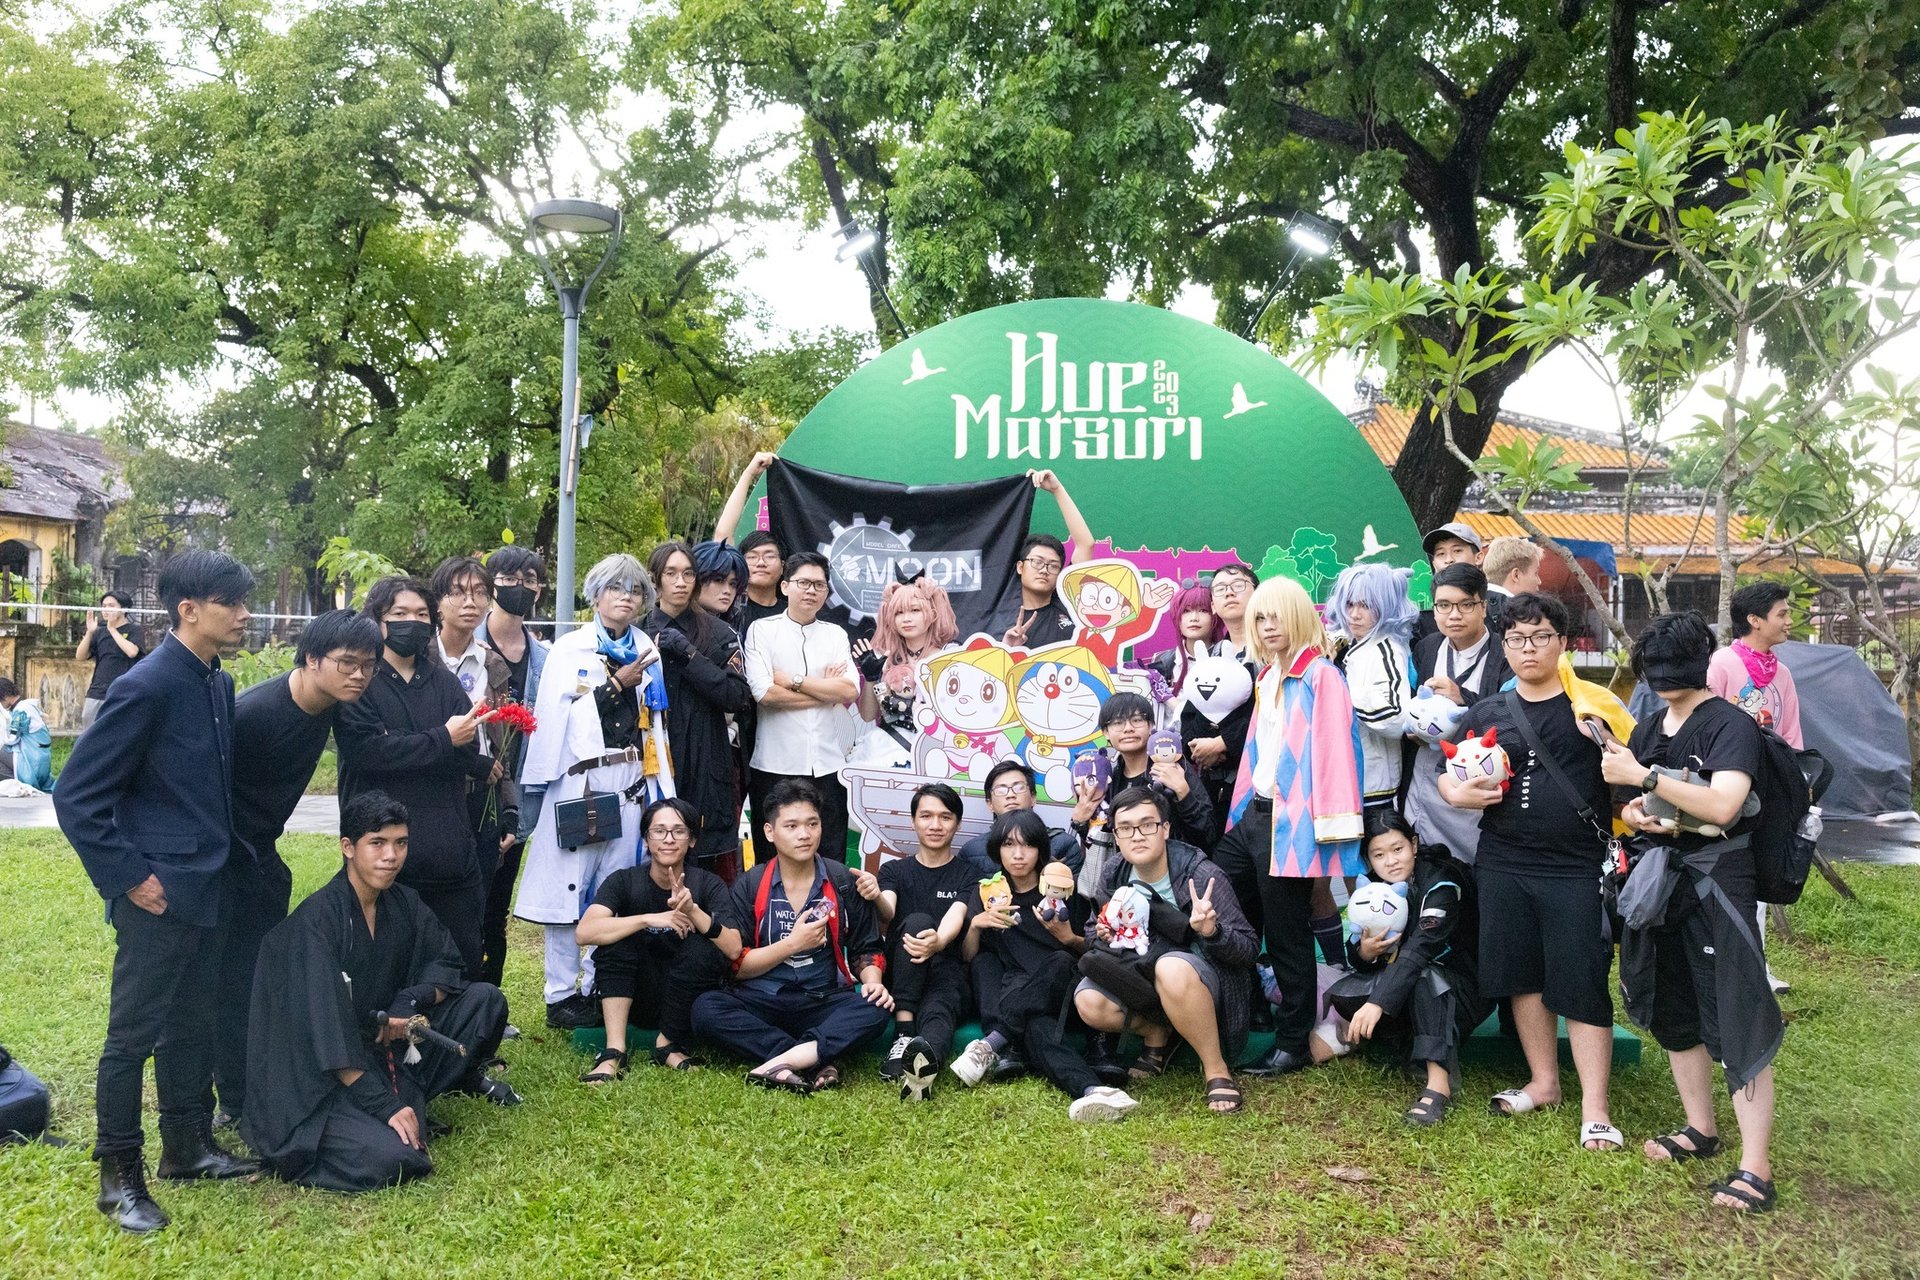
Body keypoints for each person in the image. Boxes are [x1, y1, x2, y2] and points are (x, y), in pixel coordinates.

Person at [54, 549, 259, 1234]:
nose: (244, 613)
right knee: (131, 1036)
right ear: (188, 610)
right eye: (231, 602)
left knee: (193, 1022)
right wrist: (130, 877)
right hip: (158, 893)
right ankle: (118, 1178)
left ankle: (188, 1146)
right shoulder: (145, 685)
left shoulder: (215, 682)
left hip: (209, 885)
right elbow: (79, 796)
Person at [240, 792, 517, 1195]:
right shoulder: (317, 923)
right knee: (399, 1159)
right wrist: (386, 1106)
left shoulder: (402, 901)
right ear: (348, 848)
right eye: (377, 843)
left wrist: (409, 1003)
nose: (391, 856)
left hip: (378, 1047)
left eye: (400, 843)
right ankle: (376, 1114)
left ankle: (399, 1102)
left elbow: (449, 963)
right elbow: (326, 1036)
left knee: (485, 1001)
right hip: (315, 1075)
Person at [1604, 610, 1783, 1212]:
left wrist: (1645, 775)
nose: (1659, 681)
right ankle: (1700, 1129)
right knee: (1672, 1001)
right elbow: (1630, 803)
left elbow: (1727, 805)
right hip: (1662, 877)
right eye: (1652, 670)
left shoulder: (1729, 724)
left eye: (1668, 670)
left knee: (1735, 1011)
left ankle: (1755, 1168)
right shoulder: (1651, 723)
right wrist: (1639, 812)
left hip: (1718, 879)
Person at [1437, 592, 1622, 1153]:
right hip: (1502, 861)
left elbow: (1626, 773)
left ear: (1561, 642)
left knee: (1582, 977)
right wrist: (1458, 792)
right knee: (1523, 976)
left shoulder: (1592, 706)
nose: (1527, 649)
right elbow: (1449, 774)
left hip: (1575, 866)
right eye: (1515, 639)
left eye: (1540, 637)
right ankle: (1544, 1084)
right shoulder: (1490, 710)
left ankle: (1597, 1108)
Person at [212, 609, 382, 1130]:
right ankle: (231, 1101)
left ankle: (260, 1086)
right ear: (311, 659)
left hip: (263, 858)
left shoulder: (334, 706)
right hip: (222, 862)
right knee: (228, 985)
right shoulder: (253, 713)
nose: (359, 675)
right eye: (347, 663)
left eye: (367, 666)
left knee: (266, 979)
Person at [516, 555, 676, 1030]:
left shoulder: (648, 648)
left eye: (634, 589)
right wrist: (612, 688)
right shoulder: (570, 649)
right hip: (581, 780)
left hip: (629, 780)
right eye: (615, 587)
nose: (624, 595)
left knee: (614, 885)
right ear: (596, 594)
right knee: (570, 888)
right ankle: (560, 993)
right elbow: (557, 719)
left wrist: (660, 788)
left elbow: (657, 724)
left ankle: (597, 983)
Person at [1216, 576, 1364, 1079]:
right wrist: (1238, 814)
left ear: (1300, 616)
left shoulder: (1323, 676)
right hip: (1254, 818)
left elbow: (1336, 757)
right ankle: (1246, 1006)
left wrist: (1329, 831)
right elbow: (1256, 754)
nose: (1267, 625)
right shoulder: (1268, 676)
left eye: (1276, 615)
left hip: (1292, 822)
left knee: (1287, 934)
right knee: (1218, 899)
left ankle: (1292, 1041)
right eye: (1260, 617)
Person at [691, 780, 892, 1093]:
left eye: (812, 824)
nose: (804, 834)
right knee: (706, 1009)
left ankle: (783, 1060)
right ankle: (814, 1058)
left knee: (876, 1008)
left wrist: (873, 981)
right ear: (770, 832)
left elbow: (867, 949)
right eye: (792, 825)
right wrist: (793, 945)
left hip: (824, 999)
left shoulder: (841, 880)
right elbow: (737, 964)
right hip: (762, 998)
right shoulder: (750, 884)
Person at [336, 575, 491, 977]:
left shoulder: (444, 682)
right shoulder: (359, 683)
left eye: (422, 614)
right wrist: (442, 738)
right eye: (400, 613)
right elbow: (368, 752)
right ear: (379, 620)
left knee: (461, 960)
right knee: (386, 965)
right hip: (382, 857)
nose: (413, 621)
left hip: (448, 852)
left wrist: (404, 743)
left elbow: (468, 752)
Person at [1075, 787, 1259, 1114]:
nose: (1137, 836)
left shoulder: (1200, 874)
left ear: (1166, 829)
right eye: (1126, 828)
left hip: (1203, 983)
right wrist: (1102, 932)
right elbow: (1092, 927)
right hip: (1141, 973)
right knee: (1088, 1000)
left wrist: (1212, 931)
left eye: (1148, 825)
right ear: (1116, 836)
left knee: (1171, 968)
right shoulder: (1114, 871)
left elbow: (1248, 949)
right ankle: (1157, 1031)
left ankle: (1216, 1069)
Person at [952, 809, 1141, 1121]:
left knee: (1060, 960)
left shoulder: (1062, 891)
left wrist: (1066, 936)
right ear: (997, 849)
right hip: (1025, 1003)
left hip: (1066, 991)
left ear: (1040, 849)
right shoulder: (988, 892)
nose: (1018, 854)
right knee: (1038, 1030)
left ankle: (992, 1043)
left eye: (1027, 845)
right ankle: (1093, 1091)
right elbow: (969, 957)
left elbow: (1089, 953)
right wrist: (976, 925)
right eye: (1009, 845)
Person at [1325, 810, 1487, 1127]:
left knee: (1427, 976)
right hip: (1405, 981)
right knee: (1345, 995)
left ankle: (1438, 1084)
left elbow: (1421, 948)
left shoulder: (1442, 882)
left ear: (1413, 844)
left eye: (1397, 849)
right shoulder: (1373, 887)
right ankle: (1408, 1044)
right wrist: (1365, 952)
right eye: (1379, 854)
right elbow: (1355, 953)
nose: (1392, 861)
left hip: (1463, 987)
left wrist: (1378, 1003)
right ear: (1369, 860)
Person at [575, 797, 742, 1081]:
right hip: (634, 994)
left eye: (679, 831)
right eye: (659, 831)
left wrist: (693, 910)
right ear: (645, 839)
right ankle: (615, 1051)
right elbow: (584, 932)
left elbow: (734, 948)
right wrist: (648, 918)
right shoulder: (624, 880)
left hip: (686, 1000)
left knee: (705, 945)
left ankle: (667, 1044)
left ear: (691, 840)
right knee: (616, 937)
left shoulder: (708, 884)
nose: (668, 839)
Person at [850, 783, 977, 1101]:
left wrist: (940, 941)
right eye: (927, 816)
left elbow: (957, 915)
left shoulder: (968, 874)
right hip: (903, 969)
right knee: (918, 922)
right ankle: (904, 1032)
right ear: (913, 821)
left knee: (938, 1010)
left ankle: (922, 1064)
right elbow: (888, 911)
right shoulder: (895, 869)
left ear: (957, 823)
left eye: (945, 817)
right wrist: (876, 894)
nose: (936, 825)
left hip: (946, 968)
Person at [1708, 580, 1803, 993]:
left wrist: (1797, 788)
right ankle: (1718, 964)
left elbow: (1791, 737)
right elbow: (1707, 725)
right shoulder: (1722, 664)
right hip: (1726, 792)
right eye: (1782, 613)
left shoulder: (1781, 672)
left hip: (1770, 792)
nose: (1789, 620)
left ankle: (1756, 967)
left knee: (1761, 878)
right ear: (1753, 620)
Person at [643, 540, 754, 879]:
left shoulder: (719, 632)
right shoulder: (638, 631)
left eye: (688, 573)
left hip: (707, 759)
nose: (680, 582)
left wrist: (690, 656)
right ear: (656, 579)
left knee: (708, 867)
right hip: (653, 756)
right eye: (671, 573)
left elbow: (737, 696)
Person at [743, 551, 858, 862]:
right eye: (803, 583)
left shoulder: (835, 634)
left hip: (828, 766)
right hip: (774, 765)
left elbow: (849, 689)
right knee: (772, 859)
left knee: (830, 857)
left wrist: (793, 680)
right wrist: (825, 692)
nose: (811, 590)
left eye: (819, 585)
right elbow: (765, 694)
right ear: (785, 587)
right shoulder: (762, 630)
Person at [431, 557, 519, 949]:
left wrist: (508, 808)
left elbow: (503, 743)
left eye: (480, 592)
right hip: (434, 794)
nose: (471, 601)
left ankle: (478, 1001)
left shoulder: (492, 663)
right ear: (438, 602)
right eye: (458, 592)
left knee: (479, 908)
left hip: (482, 795)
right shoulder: (419, 658)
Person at [476, 543, 550, 991]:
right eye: (508, 578)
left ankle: (489, 1001)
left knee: (496, 903)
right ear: (491, 584)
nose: (518, 587)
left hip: (518, 791)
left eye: (529, 579)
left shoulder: (544, 657)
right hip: (470, 784)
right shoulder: (468, 647)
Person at [1405, 563, 1513, 860]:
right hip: (1428, 778)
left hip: (1479, 782)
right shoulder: (1426, 648)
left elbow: (1509, 713)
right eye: (1444, 605)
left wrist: (1461, 697)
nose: (1454, 615)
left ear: (1483, 606)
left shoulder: (1504, 653)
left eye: (1466, 604)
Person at [1071, 692, 1216, 853]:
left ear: (1151, 726)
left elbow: (1208, 836)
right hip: (1125, 873)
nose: (1128, 729)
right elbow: (1102, 846)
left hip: (1172, 870)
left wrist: (1183, 792)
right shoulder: (1108, 779)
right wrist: (1081, 822)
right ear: (1106, 732)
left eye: (1137, 720)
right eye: (1118, 723)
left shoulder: (1175, 767)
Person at [1325, 563, 1418, 809]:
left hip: (1375, 784)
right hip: (1347, 777)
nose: (1354, 614)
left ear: (1386, 606)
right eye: (1349, 604)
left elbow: (1395, 717)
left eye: (1365, 606)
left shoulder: (1386, 649)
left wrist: (1337, 690)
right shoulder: (1351, 643)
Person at [851, 575, 960, 768]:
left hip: (937, 748)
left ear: (932, 614)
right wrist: (870, 679)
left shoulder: (948, 657)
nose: (907, 619)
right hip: (887, 747)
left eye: (915, 610)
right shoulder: (885, 658)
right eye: (899, 613)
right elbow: (869, 716)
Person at [987, 470, 1098, 648]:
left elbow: (1086, 544)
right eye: (1037, 562)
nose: (1044, 569)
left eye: (1053, 566)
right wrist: (1007, 649)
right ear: (1020, 567)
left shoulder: (1068, 605)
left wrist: (1057, 489)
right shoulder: (1000, 615)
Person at [956, 759, 1083, 875]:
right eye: (1001, 790)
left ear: (1033, 797)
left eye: (1018, 787)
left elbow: (1076, 897)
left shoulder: (1063, 844)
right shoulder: (971, 851)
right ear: (990, 804)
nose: (1010, 794)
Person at [710, 451, 789, 631]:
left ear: (783, 565)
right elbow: (722, 535)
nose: (760, 563)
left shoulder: (793, 612)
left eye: (769, 556)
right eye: (752, 557)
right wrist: (748, 474)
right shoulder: (730, 607)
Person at [1147, 585, 1223, 726]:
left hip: (1210, 744)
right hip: (1166, 744)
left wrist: (1168, 698)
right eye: (1186, 611)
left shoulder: (1226, 662)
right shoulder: (1161, 661)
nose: (1194, 618)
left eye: (1203, 610)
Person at [76, 591, 144, 727]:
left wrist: (113, 630)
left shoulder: (134, 630)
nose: (106, 610)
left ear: (123, 609)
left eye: (111, 606)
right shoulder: (99, 632)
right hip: (97, 691)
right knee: (90, 731)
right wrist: (89, 632)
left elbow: (132, 652)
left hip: (124, 692)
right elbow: (80, 656)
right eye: (104, 606)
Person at [1413, 522, 1485, 644]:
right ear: (1434, 564)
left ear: (1478, 557)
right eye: (1441, 554)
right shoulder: (1421, 615)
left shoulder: (1500, 603)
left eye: (1457, 551)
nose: (1449, 560)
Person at [1482, 536, 1544, 632]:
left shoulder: (1470, 604)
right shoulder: (1521, 615)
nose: (1539, 581)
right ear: (1516, 575)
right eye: (1535, 573)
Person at [0, 678, 52, 791]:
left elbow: (12, 739)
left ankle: (20, 783)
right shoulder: (30, 705)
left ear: (5, 696)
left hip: (32, 763)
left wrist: (3, 737)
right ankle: (17, 781)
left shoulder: (21, 711)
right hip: (41, 761)